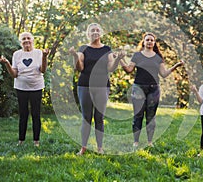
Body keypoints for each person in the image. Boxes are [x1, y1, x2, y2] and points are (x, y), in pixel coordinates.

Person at [120, 32, 184, 148]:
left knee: (151, 117)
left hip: (154, 89)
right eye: (147, 40)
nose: (150, 42)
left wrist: (176, 66)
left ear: (154, 43)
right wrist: (120, 60)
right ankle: (136, 142)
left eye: (152, 40)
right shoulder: (137, 56)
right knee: (138, 115)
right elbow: (129, 69)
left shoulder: (158, 57)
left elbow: (164, 74)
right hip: (139, 87)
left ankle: (149, 142)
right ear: (143, 42)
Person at [69, 23, 125, 155]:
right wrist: (75, 56)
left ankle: (100, 148)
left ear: (101, 33)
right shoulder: (83, 49)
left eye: (97, 30)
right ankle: (83, 147)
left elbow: (111, 68)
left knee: (99, 117)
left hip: (101, 86)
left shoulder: (107, 49)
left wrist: (118, 60)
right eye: (92, 30)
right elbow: (79, 68)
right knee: (86, 117)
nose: (95, 32)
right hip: (85, 86)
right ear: (88, 34)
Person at [0, 32, 49, 147]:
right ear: (21, 42)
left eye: (28, 38)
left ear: (32, 40)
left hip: (36, 87)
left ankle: (36, 141)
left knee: (36, 114)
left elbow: (43, 70)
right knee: (23, 114)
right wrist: (7, 64)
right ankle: (21, 140)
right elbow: (14, 74)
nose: (26, 40)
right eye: (23, 39)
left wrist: (45, 57)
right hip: (21, 88)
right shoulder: (17, 54)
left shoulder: (38, 53)